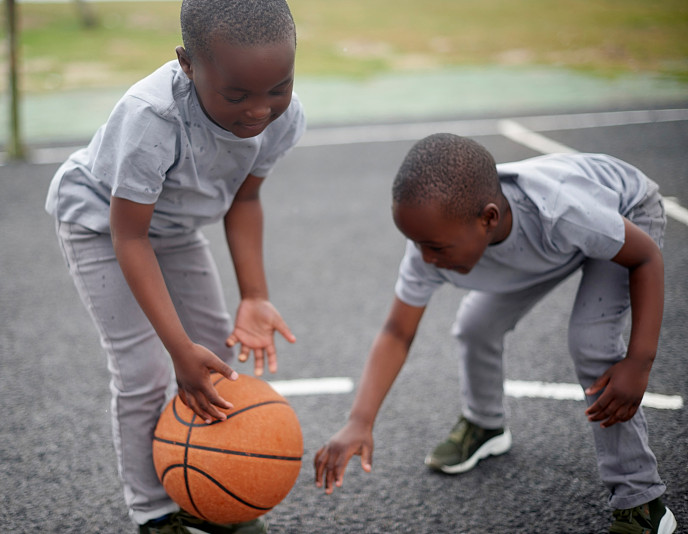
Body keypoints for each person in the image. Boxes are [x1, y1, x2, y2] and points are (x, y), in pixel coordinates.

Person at [314, 133, 677, 534]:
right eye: (416, 244)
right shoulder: (438, 237)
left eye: (436, 247)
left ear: (487, 219)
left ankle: (641, 500)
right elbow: (397, 333)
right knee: (475, 326)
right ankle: (485, 424)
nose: (426, 258)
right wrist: (360, 420)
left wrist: (639, 362)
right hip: (552, 245)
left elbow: (646, 257)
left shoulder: (561, 212)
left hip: (624, 214)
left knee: (590, 342)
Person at [45, 1, 304, 532]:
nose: (259, 110)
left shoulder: (284, 117)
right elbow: (129, 235)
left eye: (278, 88)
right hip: (102, 224)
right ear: (187, 64)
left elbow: (245, 200)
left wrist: (254, 295)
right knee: (144, 370)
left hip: (173, 227)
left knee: (214, 357)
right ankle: (153, 510)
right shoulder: (153, 117)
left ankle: (207, 493)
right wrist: (176, 348)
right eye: (237, 95)